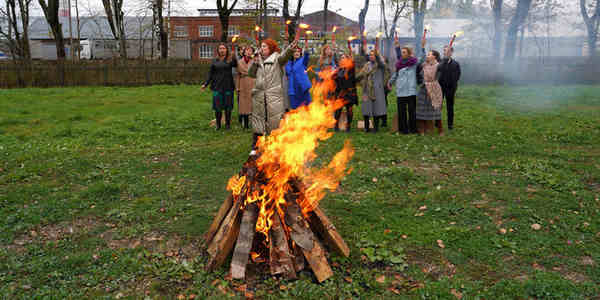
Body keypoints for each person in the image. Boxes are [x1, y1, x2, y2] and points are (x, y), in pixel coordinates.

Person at [248, 38, 298, 151]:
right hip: (259, 97)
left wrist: (290, 49)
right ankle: (255, 148)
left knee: (274, 124)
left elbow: (284, 57)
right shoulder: (258, 59)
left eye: (264, 46)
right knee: (258, 123)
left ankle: (274, 149)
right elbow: (250, 74)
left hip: (273, 98)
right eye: (261, 46)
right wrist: (255, 63)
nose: (262, 48)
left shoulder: (277, 59)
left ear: (270, 48)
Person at [202, 43, 238, 130]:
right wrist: (205, 84)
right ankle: (218, 125)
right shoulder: (215, 60)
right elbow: (210, 74)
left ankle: (227, 125)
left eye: (224, 48)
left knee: (228, 107)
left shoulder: (230, 60)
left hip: (228, 86)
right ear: (218, 50)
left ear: (226, 50)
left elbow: (237, 65)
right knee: (217, 108)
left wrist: (235, 55)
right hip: (217, 87)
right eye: (220, 48)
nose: (222, 50)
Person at [388, 35, 418, 134]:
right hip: (401, 91)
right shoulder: (399, 64)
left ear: (409, 54)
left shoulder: (413, 63)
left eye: (404, 52)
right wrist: (390, 82)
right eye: (401, 52)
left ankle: (413, 129)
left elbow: (421, 59)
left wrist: (422, 47)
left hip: (410, 91)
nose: (402, 54)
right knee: (401, 112)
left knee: (412, 111)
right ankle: (403, 130)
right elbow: (395, 74)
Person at [415, 36, 444, 136]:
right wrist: (422, 47)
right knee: (421, 109)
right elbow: (421, 59)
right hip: (423, 89)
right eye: (427, 54)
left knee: (435, 110)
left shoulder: (438, 65)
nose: (427, 56)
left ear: (434, 57)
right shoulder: (424, 65)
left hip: (434, 89)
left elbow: (443, 66)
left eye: (429, 54)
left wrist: (447, 53)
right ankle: (422, 130)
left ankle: (440, 130)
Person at [357, 45, 387, 133]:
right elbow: (360, 75)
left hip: (377, 89)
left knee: (376, 109)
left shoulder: (380, 65)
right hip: (367, 89)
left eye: (373, 55)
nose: (371, 56)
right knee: (366, 108)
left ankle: (376, 128)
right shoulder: (367, 65)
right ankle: (366, 127)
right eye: (370, 55)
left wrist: (377, 55)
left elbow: (383, 64)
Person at [334, 52, 359, 132]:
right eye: (341, 58)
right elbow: (336, 80)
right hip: (340, 93)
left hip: (349, 93)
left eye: (344, 57)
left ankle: (348, 126)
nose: (343, 59)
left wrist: (351, 57)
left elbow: (353, 63)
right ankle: (336, 125)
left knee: (349, 110)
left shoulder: (351, 68)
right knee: (338, 110)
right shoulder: (339, 69)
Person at [285, 38, 312, 109]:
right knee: (295, 110)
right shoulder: (288, 63)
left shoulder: (302, 61)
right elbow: (284, 55)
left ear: (300, 53)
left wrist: (306, 48)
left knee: (307, 109)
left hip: (303, 89)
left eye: (298, 51)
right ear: (292, 53)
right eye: (295, 51)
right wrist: (286, 42)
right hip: (293, 90)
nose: (296, 53)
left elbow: (306, 56)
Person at [439, 45, 461, 130]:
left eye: (448, 51)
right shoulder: (441, 62)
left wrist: (453, 86)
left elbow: (457, 76)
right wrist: (444, 62)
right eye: (444, 51)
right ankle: (437, 123)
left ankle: (450, 124)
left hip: (450, 89)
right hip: (440, 87)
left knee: (450, 106)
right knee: (438, 106)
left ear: (451, 52)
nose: (446, 52)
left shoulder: (455, 64)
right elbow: (439, 69)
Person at [235, 46, 255, 129]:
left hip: (253, 83)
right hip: (243, 84)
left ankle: (254, 123)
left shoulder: (255, 61)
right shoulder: (239, 62)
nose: (248, 52)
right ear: (244, 52)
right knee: (244, 105)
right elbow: (238, 75)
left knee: (253, 104)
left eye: (250, 51)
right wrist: (237, 87)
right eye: (247, 50)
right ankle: (245, 124)